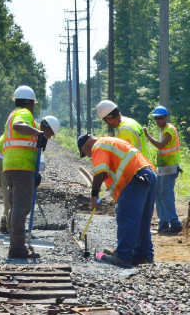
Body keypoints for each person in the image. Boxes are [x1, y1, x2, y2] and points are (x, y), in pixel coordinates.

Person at [77, 132, 157, 268]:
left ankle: (123, 256)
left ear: (87, 146)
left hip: (134, 179)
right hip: (148, 175)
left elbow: (99, 173)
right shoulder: (109, 142)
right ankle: (143, 255)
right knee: (142, 219)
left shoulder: (98, 146)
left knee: (126, 217)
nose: (89, 156)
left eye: (86, 153)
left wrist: (94, 196)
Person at [1, 85, 57, 259]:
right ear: (31, 103)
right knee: (20, 207)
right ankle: (17, 249)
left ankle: (16, 244)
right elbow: (19, 126)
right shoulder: (23, 114)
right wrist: (38, 133)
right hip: (21, 167)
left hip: (12, 166)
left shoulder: (13, 114)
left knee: (15, 207)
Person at [145, 105, 182, 234]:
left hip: (169, 168)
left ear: (166, 118)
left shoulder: (169, 130)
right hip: (163, 168)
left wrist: (147, 136)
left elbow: (161, 145)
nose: (157, 121)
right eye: (156, 118)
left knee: (166, 195)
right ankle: (163, 222)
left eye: (160, 118)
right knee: (158, 195)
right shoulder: (164, 129)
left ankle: (174, 223)